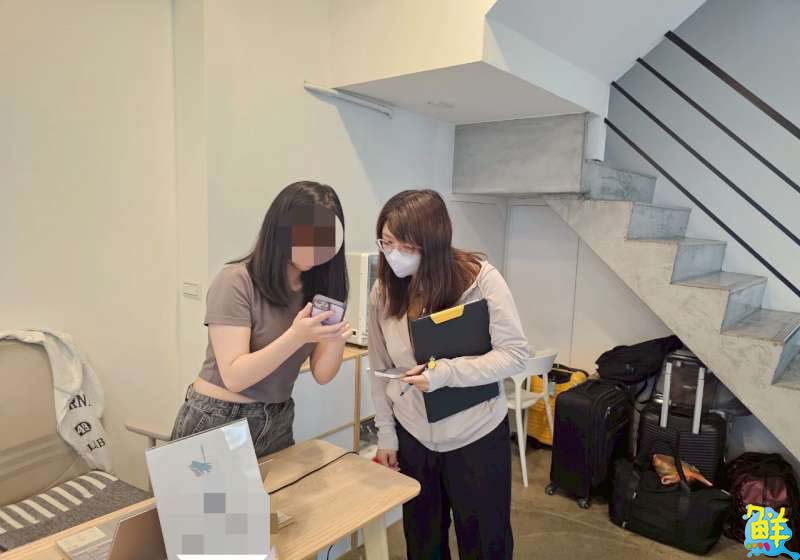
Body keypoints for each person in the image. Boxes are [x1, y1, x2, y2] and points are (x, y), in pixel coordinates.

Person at [368, 189, 528, 560]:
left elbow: (514, 355)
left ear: (434, 243)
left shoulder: (480, 281)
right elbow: (380, 369)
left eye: (407, 246)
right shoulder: (384, 291)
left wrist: (446, 373)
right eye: (387, 242)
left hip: (476, 436)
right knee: (423, 543)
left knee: (486, 544)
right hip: (414, 437)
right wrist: (387, 436)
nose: (394, 254)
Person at [171, 181, 351, 457]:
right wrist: (296, 336)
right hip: (220, 418)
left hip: (277, 419)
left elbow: (323, 375)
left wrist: (337, 336)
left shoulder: (318, 290)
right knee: (208, 493)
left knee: (286, 490)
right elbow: (234, 377)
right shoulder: (235, 281)